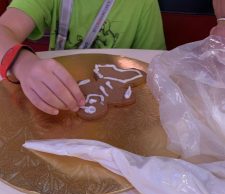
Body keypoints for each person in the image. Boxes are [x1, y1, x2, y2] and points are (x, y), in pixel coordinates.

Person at [0, 0, 165, 115]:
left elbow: (156, 69)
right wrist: (23, 63)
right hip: (56, 106)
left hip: (117, 115)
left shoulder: (145, 4)